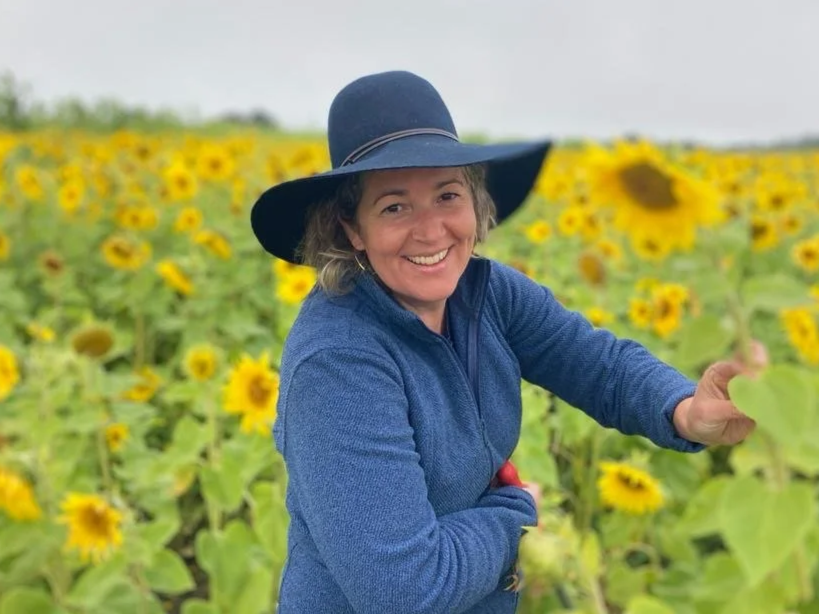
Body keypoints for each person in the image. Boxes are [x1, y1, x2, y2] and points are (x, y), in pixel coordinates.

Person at [249, 70, 758, 614]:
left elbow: (598, 365)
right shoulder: (339, 362)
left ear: (475, 202)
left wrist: (683, 408)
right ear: (352, 230)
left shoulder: (486, 293)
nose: (430, 231)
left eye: (447, 195)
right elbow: (404, 589)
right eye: (394, 206)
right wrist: (516, 513)